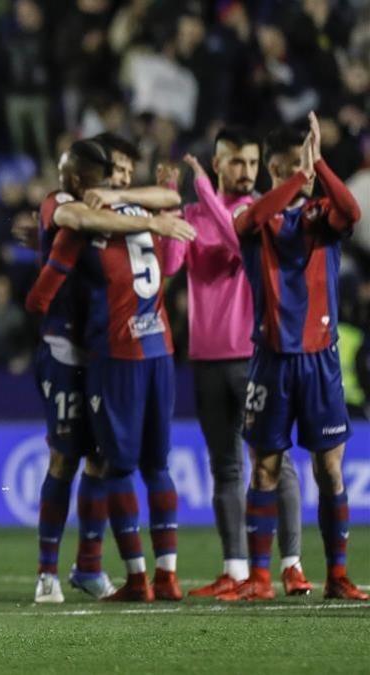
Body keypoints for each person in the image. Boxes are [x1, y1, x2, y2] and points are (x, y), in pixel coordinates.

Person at [24, 143, 195, 603]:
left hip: (111, 349)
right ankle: (46, 573)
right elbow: (79, 220)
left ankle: (90, 567)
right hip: (69, 351)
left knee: (104, 461)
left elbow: (164, 201)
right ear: (88, 177)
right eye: (114, 172)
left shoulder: (121, 204)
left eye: (125, 171)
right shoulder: (63, 203)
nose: (121, 179)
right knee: (66, 458)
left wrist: (145, 204)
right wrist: (150, 219)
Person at [220, 115, 366, 602]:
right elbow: (249, 221)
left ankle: (338, 576)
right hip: (272, 360)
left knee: (330, 470)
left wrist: (318, 163)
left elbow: (353, 211)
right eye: (282, 170)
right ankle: (260, 578)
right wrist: (300, 177)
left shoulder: (323, 216)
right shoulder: (256, 219)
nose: (292, 177)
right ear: (273, 173)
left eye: (296, 168)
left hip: (319, 362)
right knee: (264, 467)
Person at [163, 128, 311, 598]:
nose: (246, 172)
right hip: (206, 359)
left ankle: (291, 564)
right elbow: (169, 267)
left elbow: (234, 241)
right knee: (225, 467)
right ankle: (237, 569)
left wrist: (203, 190)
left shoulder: (260, 212)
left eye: (252, 163)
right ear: (219, 163)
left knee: (274, 462)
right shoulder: (192, 213)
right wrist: (170, 201)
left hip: (254, 356)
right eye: (236, 163)